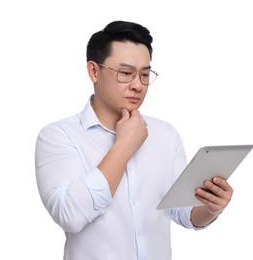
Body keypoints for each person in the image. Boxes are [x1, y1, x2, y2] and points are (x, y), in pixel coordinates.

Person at [35, 20, 233, 260]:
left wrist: (211, 208)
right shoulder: (58, 136)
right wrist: (125, 146)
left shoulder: (166, 134)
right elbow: (69, 215)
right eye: (126, 73)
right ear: (93, 71)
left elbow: (185, 213)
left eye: (145, 74)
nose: (138, 85)